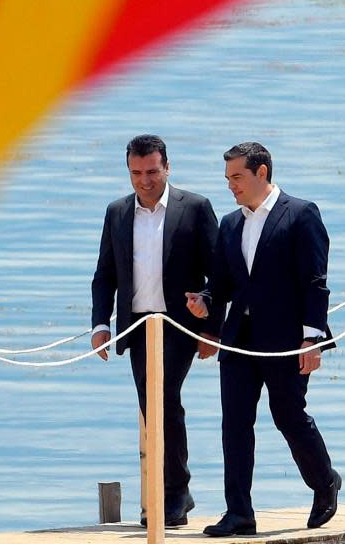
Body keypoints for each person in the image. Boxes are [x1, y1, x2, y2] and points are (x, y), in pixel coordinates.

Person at [185, 142, 340, 537]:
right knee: (235, 424)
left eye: (237, 177)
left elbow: (314, 282)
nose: (231, 186)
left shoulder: (301, 214)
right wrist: (204, 304)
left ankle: (325, 483)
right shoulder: (230, 223)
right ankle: (239, 513)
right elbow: (220, 285)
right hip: (239, 340)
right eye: (228, 179)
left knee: (288, 415)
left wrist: (313, 340)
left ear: (262, 173)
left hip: (287, 339)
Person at [90, 134, 219, 527]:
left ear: (167, 167)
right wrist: (100, 324)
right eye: (135, 173)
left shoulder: (195, 207)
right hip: (137, 325)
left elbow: (220, 274)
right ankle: (175, 493)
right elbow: (105, 274)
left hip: (178, 324)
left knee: (162, 400)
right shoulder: (116, 212)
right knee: (153, 405)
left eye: (151, 171)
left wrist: (211, 328)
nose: (144, 180)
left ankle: (174, 495)